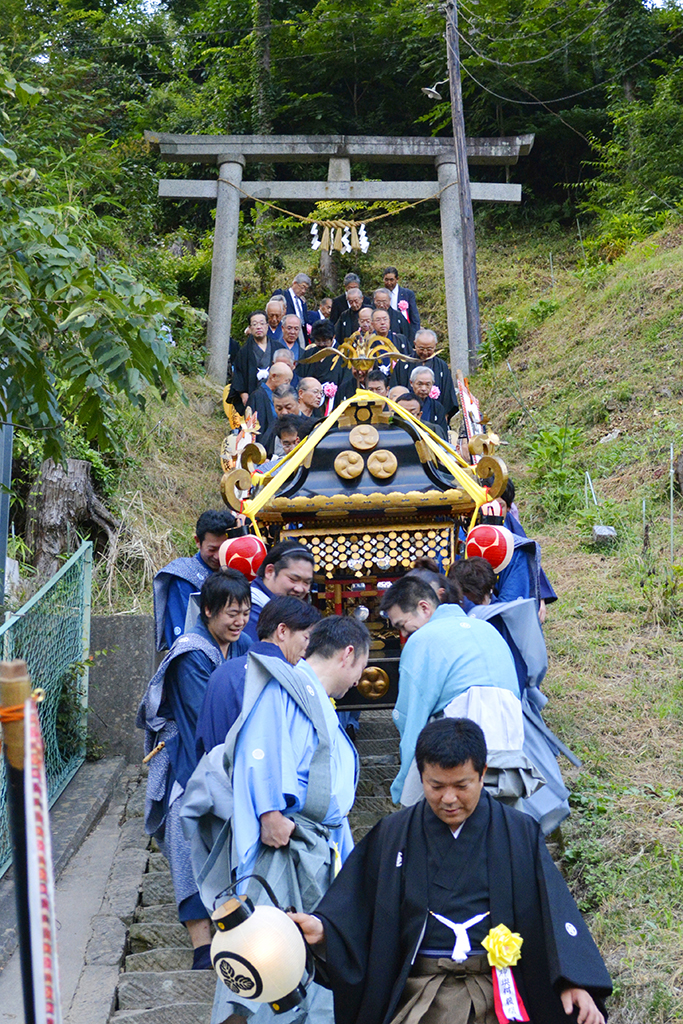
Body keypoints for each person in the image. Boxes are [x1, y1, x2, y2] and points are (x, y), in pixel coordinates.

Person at [293, 717, 611, 1024]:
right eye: (436, 785)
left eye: (461, 785)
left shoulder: (518, 831)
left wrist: (573, 980)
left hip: (499, 992)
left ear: (482, 774)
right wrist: (326, 932)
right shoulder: (393, 834)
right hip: (417, 993)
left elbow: (552, 912)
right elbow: (357, 906)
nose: (449, 799)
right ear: (421, 776)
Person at [215, 614, 370, 1024]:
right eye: (360, 667)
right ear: (348, 654)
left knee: (307, 951)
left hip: (318, 842)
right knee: (267, 952)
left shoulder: (313, 697)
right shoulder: (283, 688)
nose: (359, 679)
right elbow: (258, 748)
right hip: (286, 840)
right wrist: (267, 811)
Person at [136, 570, 252, 969]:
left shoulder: (241, 647)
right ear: (207, 611)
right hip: (191, 767)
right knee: (188, 852)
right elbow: (207, 717)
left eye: (244, 613)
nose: (238, 621)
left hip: (230, 764)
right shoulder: (191, 655)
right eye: (230, 613)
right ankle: (203, 948)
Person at [379, 576, 539, 808]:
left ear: (424, 607)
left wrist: (402, 786)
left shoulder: (422, 640)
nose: (404, 634)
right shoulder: (489, 630)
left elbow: (411, 720)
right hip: (509, 751)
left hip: (456, 750)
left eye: (402, 625)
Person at [196, 595, 321, 756]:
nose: (308, 648)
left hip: (214, 774)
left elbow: (201, 741)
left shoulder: (222, 672)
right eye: (306, 638)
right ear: (282, 631)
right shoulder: (285, 679)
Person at [153, 509, 242, 651]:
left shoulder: (240, 571)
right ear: (198, 542)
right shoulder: (184, 576)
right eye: (212, 549)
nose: (218, 557)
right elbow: (182, 636)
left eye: (224, 549)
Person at [244, 540, 315, 641]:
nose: (299, 589)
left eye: (306, 583)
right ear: (270, 571)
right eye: (293, 579)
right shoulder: (249, 609)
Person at [391, 329, 458, 418]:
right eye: (421, 348)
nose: (425, 352)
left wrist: (443, 416)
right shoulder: (403, 363)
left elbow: (447, 395)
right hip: (407, 413)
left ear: (435, 345)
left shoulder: (442, 366)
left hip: (434, 412)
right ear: (415, 344)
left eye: (429, 349)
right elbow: (395, 390)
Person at [230, 310, 285, 412]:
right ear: (250, 328)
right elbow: (239, 374)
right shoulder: (244, 352)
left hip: (276, 395)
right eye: (254, 324)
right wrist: (243, 394)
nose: (258, 327)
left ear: (267, 326)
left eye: (261, 323)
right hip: (253, 394)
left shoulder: (278, 348)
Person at [245, 362, 294, 435]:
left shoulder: (279, 397)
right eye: (286, 382)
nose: (288, 386)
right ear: (274, 377)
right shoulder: (258, 396)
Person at [410, 365, 449, 433]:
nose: (424, 389)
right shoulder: (405, 403)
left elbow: (443, 433)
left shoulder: (437, 407)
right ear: (411, 383)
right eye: (419, 384)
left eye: (428, 384)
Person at [383, 265, 420, 330]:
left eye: (391, 280)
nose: (389, 283)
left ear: (397, 279)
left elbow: (414, 317)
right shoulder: (380, 294)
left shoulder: (408, 294)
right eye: (386, 280)